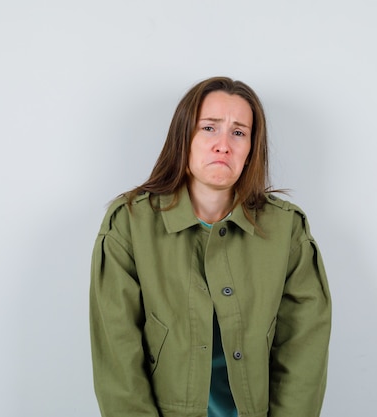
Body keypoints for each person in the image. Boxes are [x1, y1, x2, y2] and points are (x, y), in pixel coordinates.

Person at [90, 76, 331, 417]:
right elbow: (118, 364)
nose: (223, 145)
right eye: (209, 128)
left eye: (238, 132)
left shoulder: (287, 230)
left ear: (251, 149)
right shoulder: (129, 224)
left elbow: (303, 355)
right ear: (183, 137)